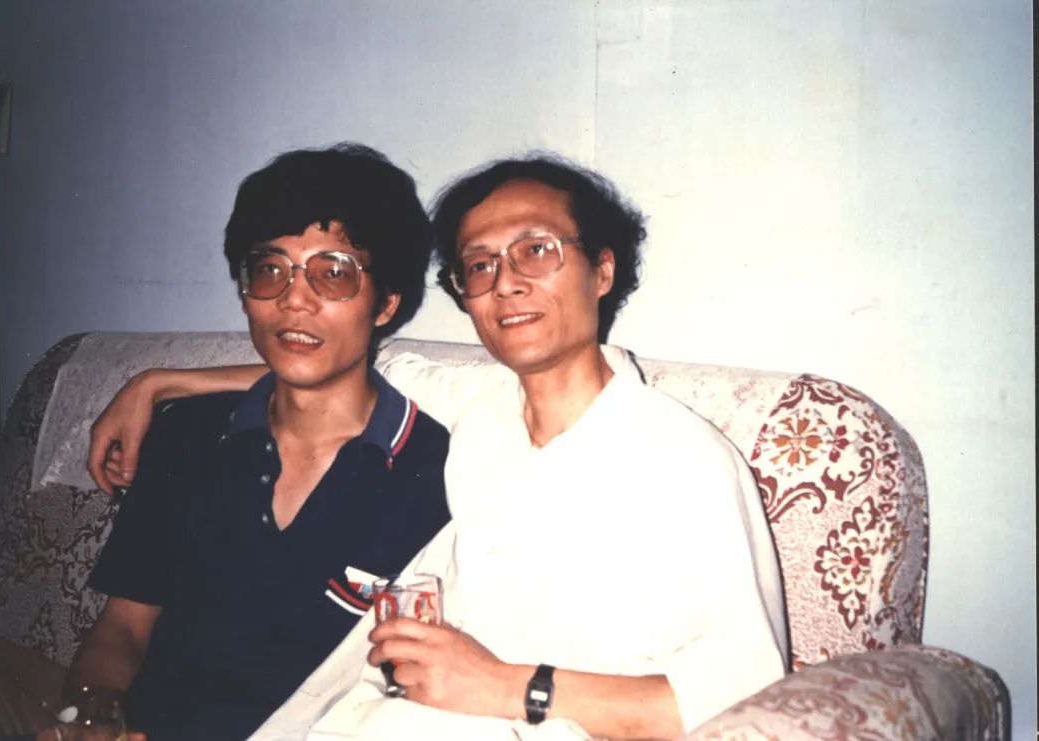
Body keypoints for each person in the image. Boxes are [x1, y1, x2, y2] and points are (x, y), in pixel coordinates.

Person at [88, 154, 788, 739]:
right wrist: (158, 383)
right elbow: (332, 364)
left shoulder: (683, 459)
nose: (505, 281)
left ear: (602, 271)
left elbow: (750, 690)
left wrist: (509, 686)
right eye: (478, 265)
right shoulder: (479, 413)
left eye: (536, 250)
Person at [58, 145, 451, 740]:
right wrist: (92, 716)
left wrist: (157, 381)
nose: (293, 299)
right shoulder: (189, 435)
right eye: (270, 269)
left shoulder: (434, 468)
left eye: (334, 272)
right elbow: (124, 627)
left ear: (386, 304)